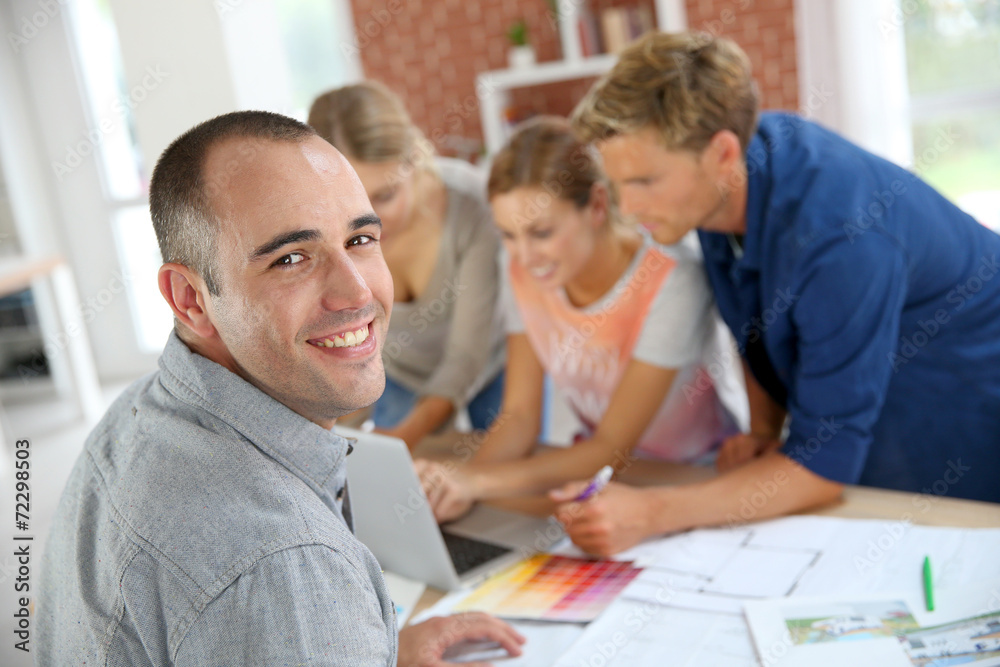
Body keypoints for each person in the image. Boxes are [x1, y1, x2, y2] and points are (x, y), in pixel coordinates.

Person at [36, 111, 525, 665]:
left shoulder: (136, 416)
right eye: (291, 258)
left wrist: (375, 650)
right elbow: (273, 590)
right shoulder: (282, 564)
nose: (357, 291)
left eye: (361, 238)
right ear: (191, 299)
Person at [549, 30, 1000, 556]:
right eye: (618, 182)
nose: (626, 206)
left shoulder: (839, 237)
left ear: (720, 152)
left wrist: (651, 512)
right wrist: (765, 426)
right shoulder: (729, 179)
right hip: (893, 394)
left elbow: (825, 464)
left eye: (645, 181)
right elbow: (754, 313)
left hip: (970, 397)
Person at [418, 116, 747, 523]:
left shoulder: (671, 280)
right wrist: (457, 482)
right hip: (595, 475)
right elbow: (519, 416)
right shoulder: (522, 268)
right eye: (507, 234)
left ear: (595, 205)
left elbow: (613, 443)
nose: (523, 256)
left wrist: (479, 483)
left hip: (691, 477)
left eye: (541, 233)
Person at [308, 82, 505, 449]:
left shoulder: (472, 206)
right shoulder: (318, 229)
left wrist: (402, 440)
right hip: (398, 371)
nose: (369, 220)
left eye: (385, 195)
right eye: (353, 201)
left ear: (414, 159)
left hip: (487, 363)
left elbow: (465, 357)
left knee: (501, 468)